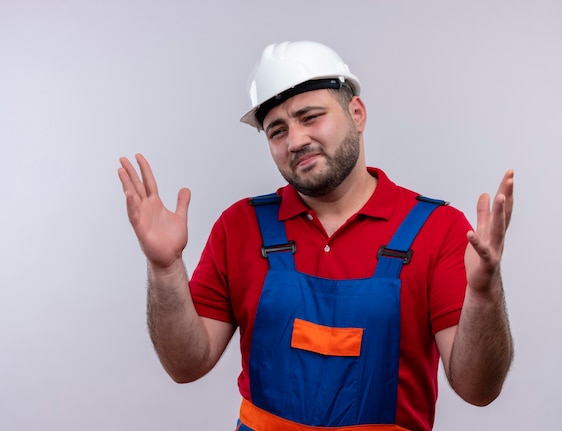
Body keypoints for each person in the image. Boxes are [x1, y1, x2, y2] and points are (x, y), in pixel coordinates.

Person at [118, 40, 514, 431]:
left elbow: (478, 389)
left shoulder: (437, 229)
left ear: (356, 113)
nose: (295, 141)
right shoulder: (239, 227)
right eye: (277, 131)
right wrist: (165, 268)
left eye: (310, 117)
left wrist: (483, 294)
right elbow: (186, 365)